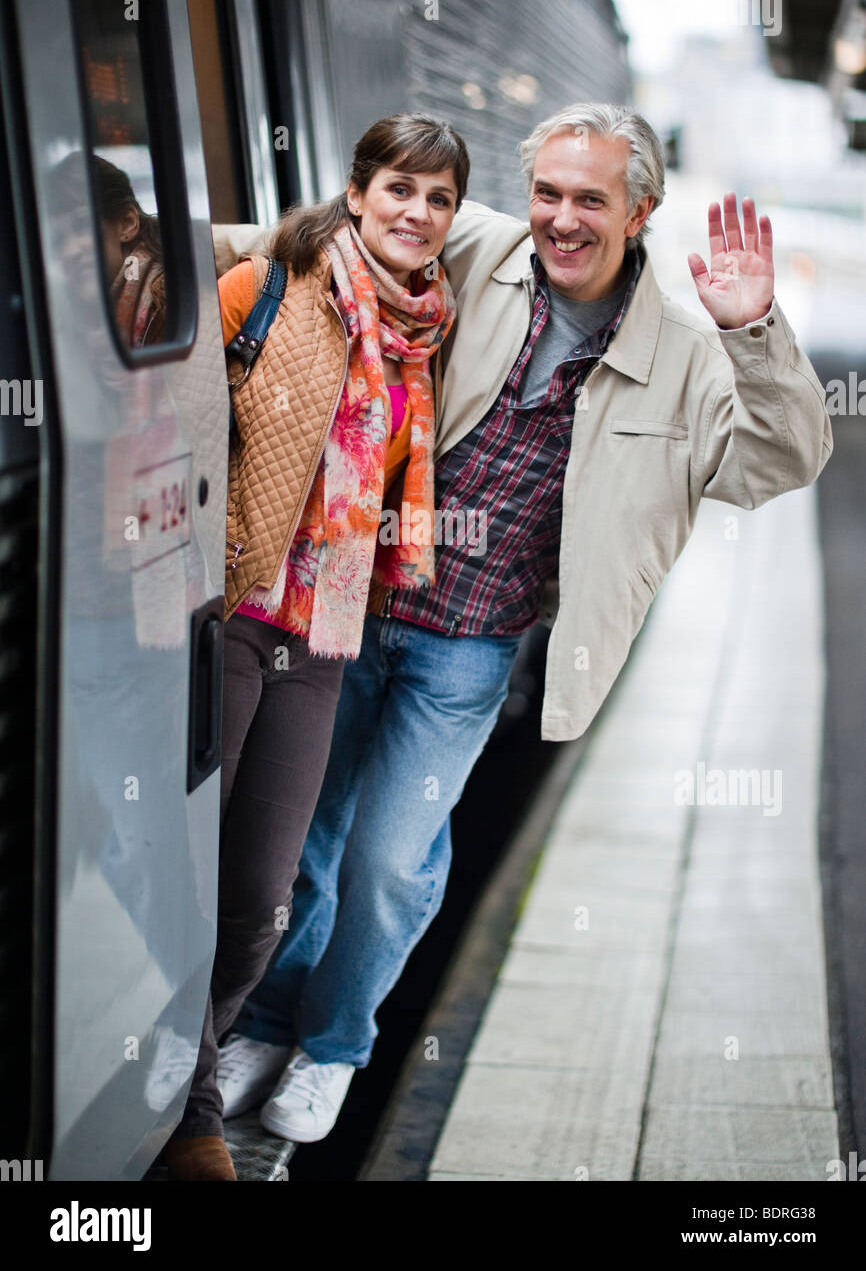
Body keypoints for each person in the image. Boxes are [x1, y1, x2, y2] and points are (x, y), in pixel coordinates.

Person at [211, 102, 833, 1145]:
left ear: (639, 209)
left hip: (467, 647)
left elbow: (779, 462)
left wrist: (752, 331)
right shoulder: (479, 245)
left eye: (588, 198)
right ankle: (266, 1025)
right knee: (305, 844)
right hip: (351, 607)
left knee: (386, 858)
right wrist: (117, 251)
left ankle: (331, 1047)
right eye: (546, 191)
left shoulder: (680, 354)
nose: (559, 217)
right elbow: (310, 239)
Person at [161, 113, 468, 1179]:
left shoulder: (426, 329)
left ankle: (174, 1068)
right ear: (354, 189)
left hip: (323, 635)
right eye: (397, 189)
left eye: (437, 200)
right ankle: (191, 1106)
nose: (416, 214)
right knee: (185, 874)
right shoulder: (266, 288)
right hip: (226, 613)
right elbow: (163, 417)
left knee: (261, 893)